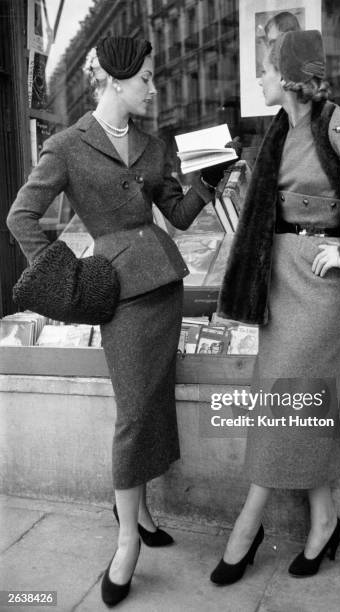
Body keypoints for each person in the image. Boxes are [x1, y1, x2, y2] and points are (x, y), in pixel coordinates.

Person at [7, 36, 238, 607]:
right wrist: (71, 284)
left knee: (153, 402)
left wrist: (210, 179)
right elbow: (21, 217)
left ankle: (140, 511)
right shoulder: (66, 146)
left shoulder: (152, 144)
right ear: (115, 80)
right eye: (146, 81)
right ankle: (127, 538)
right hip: (117, 296)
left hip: (164, 285)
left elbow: (179, 215)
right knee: (134, 415)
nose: (154, 90)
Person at [211, 30, 340, 585]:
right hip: (278, 281)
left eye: (262, 69)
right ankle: (325, 519)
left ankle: (247, 523)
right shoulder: (275, 135)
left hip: (320, 281)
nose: (256, 79)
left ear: (286, 76)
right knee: (299, 401)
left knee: (287, 396)